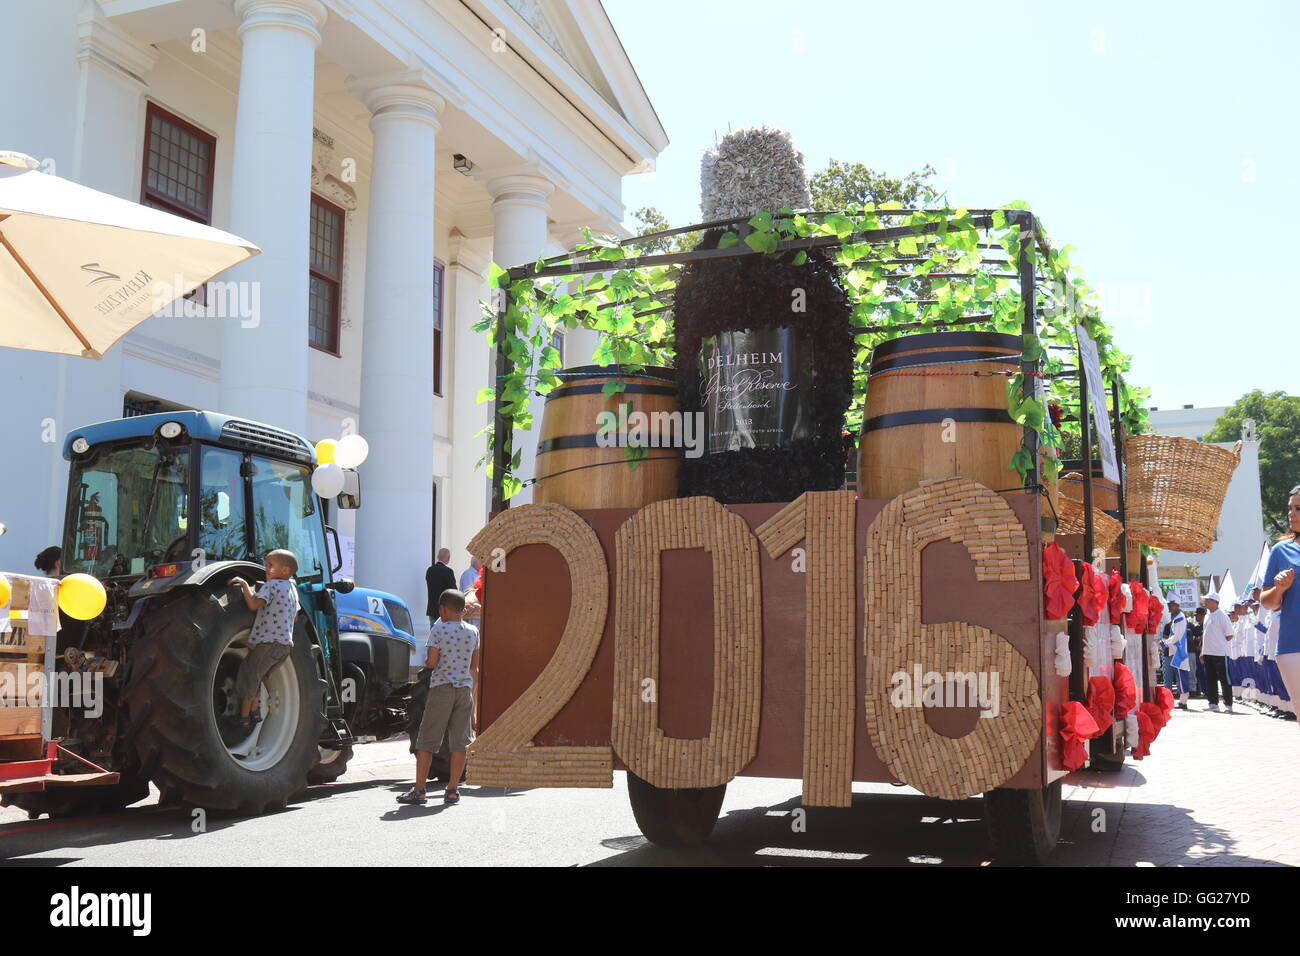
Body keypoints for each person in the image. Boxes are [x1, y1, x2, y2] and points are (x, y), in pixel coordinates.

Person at [399, 589, 479, 806]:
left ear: (442, 609)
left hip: (442, 688)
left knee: (427, 740)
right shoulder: (472, 631)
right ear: (462, 610)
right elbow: (474, 666)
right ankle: (453, 789)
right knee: (460, 742)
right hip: (464, 691)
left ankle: (419, 790)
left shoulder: (439, 629)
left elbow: (432, 662)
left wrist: (429, 661)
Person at [229, 550, 300, 728]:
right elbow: (296, 618)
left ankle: (244, 720)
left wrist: (245, 585)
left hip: (268, 643)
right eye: (266, 564)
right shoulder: (292, 589)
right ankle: (256, 712)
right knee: (258, 676)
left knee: (249, 674)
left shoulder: (271, 586)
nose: (266, 568)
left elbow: (253, 604)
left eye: (270, 565)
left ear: (285, 570)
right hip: (284, 646)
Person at [1260, 485, 1300, 731]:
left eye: (1299, 508)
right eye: (1290, 509)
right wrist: (1279, 589)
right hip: (1292, 645)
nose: (1292, 514)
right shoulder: (1280, 551)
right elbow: (1267, 602)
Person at [1200, 592, 1235, 712]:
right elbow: (1205, 634)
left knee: (1224, 679)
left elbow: (1229, 635)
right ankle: (1213, 704)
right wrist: (1203, 651)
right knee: (1210, 679)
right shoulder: (1207, 615)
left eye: (1208, 600)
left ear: (1215, 602)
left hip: (1220, 653)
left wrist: (1219, 643)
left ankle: (1228, 704)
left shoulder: (1222, 615)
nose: (1205, 602)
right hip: (1208, 653)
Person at [1160, 597, 1191, 709]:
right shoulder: (1176, 618)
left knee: (1182, 676)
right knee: (1179, 676)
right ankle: (1183, 701)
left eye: (1171, 605)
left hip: (1179, 651)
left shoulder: (1179, 618)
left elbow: (1176, 636)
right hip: (1176, 650)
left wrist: (1166, 643)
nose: (1169, 607)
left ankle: (1183, 701)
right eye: (1169, 605)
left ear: (1177, 605)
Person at [425, 549, 457, 629]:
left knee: (434, 634)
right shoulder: (448, 572)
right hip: (445, 609)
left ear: (438, 556)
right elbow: (453, 591)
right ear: (448, 558)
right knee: (445, 635)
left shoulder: (430, 570)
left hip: (432, 608)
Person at [1186, 607, 1204, 698]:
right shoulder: (1196, 627)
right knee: (1198, 672)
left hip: (1205, 652)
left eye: (1197, 615)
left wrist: (1200, 645)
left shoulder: (1206, 625)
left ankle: (1204, 691)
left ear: (1201, 615)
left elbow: (1203, 638)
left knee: (1202, 672)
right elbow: (1196, 638)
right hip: (1196, 652)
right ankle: (1198, 690)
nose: (1196, 616)